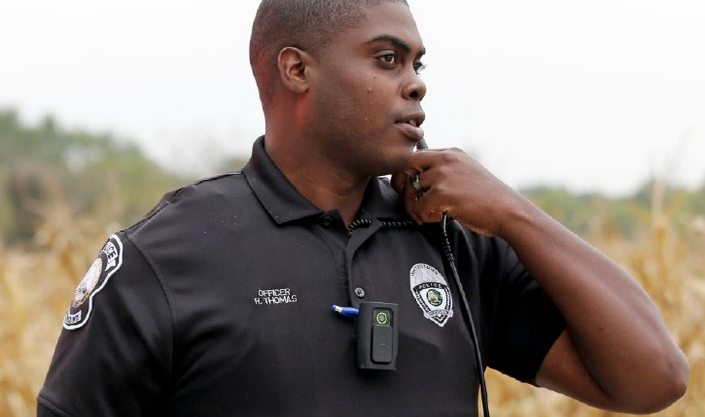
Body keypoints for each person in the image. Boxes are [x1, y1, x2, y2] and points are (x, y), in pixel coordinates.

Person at [38, 0, 689, 416]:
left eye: (417, 63)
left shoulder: (454, 242)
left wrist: (513, 213)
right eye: (386, 59)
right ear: (297, 70)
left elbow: (654, 379)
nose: (416, 83)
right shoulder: (165, 255)